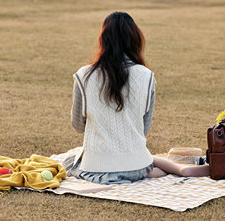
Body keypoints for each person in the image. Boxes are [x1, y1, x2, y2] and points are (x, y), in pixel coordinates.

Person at [66, 11, 167, 184]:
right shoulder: (147, 76)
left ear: (103, 39)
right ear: (136, 39)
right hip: (138, 166)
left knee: (69, 161)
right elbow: (144, 128)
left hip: (96, 168)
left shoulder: (84, 76)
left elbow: (77, 125)